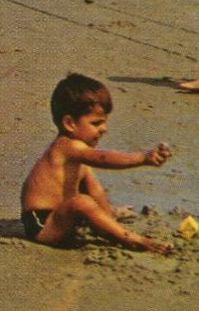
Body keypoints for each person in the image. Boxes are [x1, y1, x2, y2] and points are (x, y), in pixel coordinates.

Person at [19, 73, 174, 253]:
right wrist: (143, 158)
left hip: (61, 216)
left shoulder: (78, 156)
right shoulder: (67, 147)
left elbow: (96, 191)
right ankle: (132, 239)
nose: (104, 129)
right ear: (70, 123)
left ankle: (109, 220)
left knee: (91, 186)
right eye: (96, 123)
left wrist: (107, 214)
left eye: (105, 122)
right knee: (82, 202)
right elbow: (103, 158)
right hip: (42, 224)